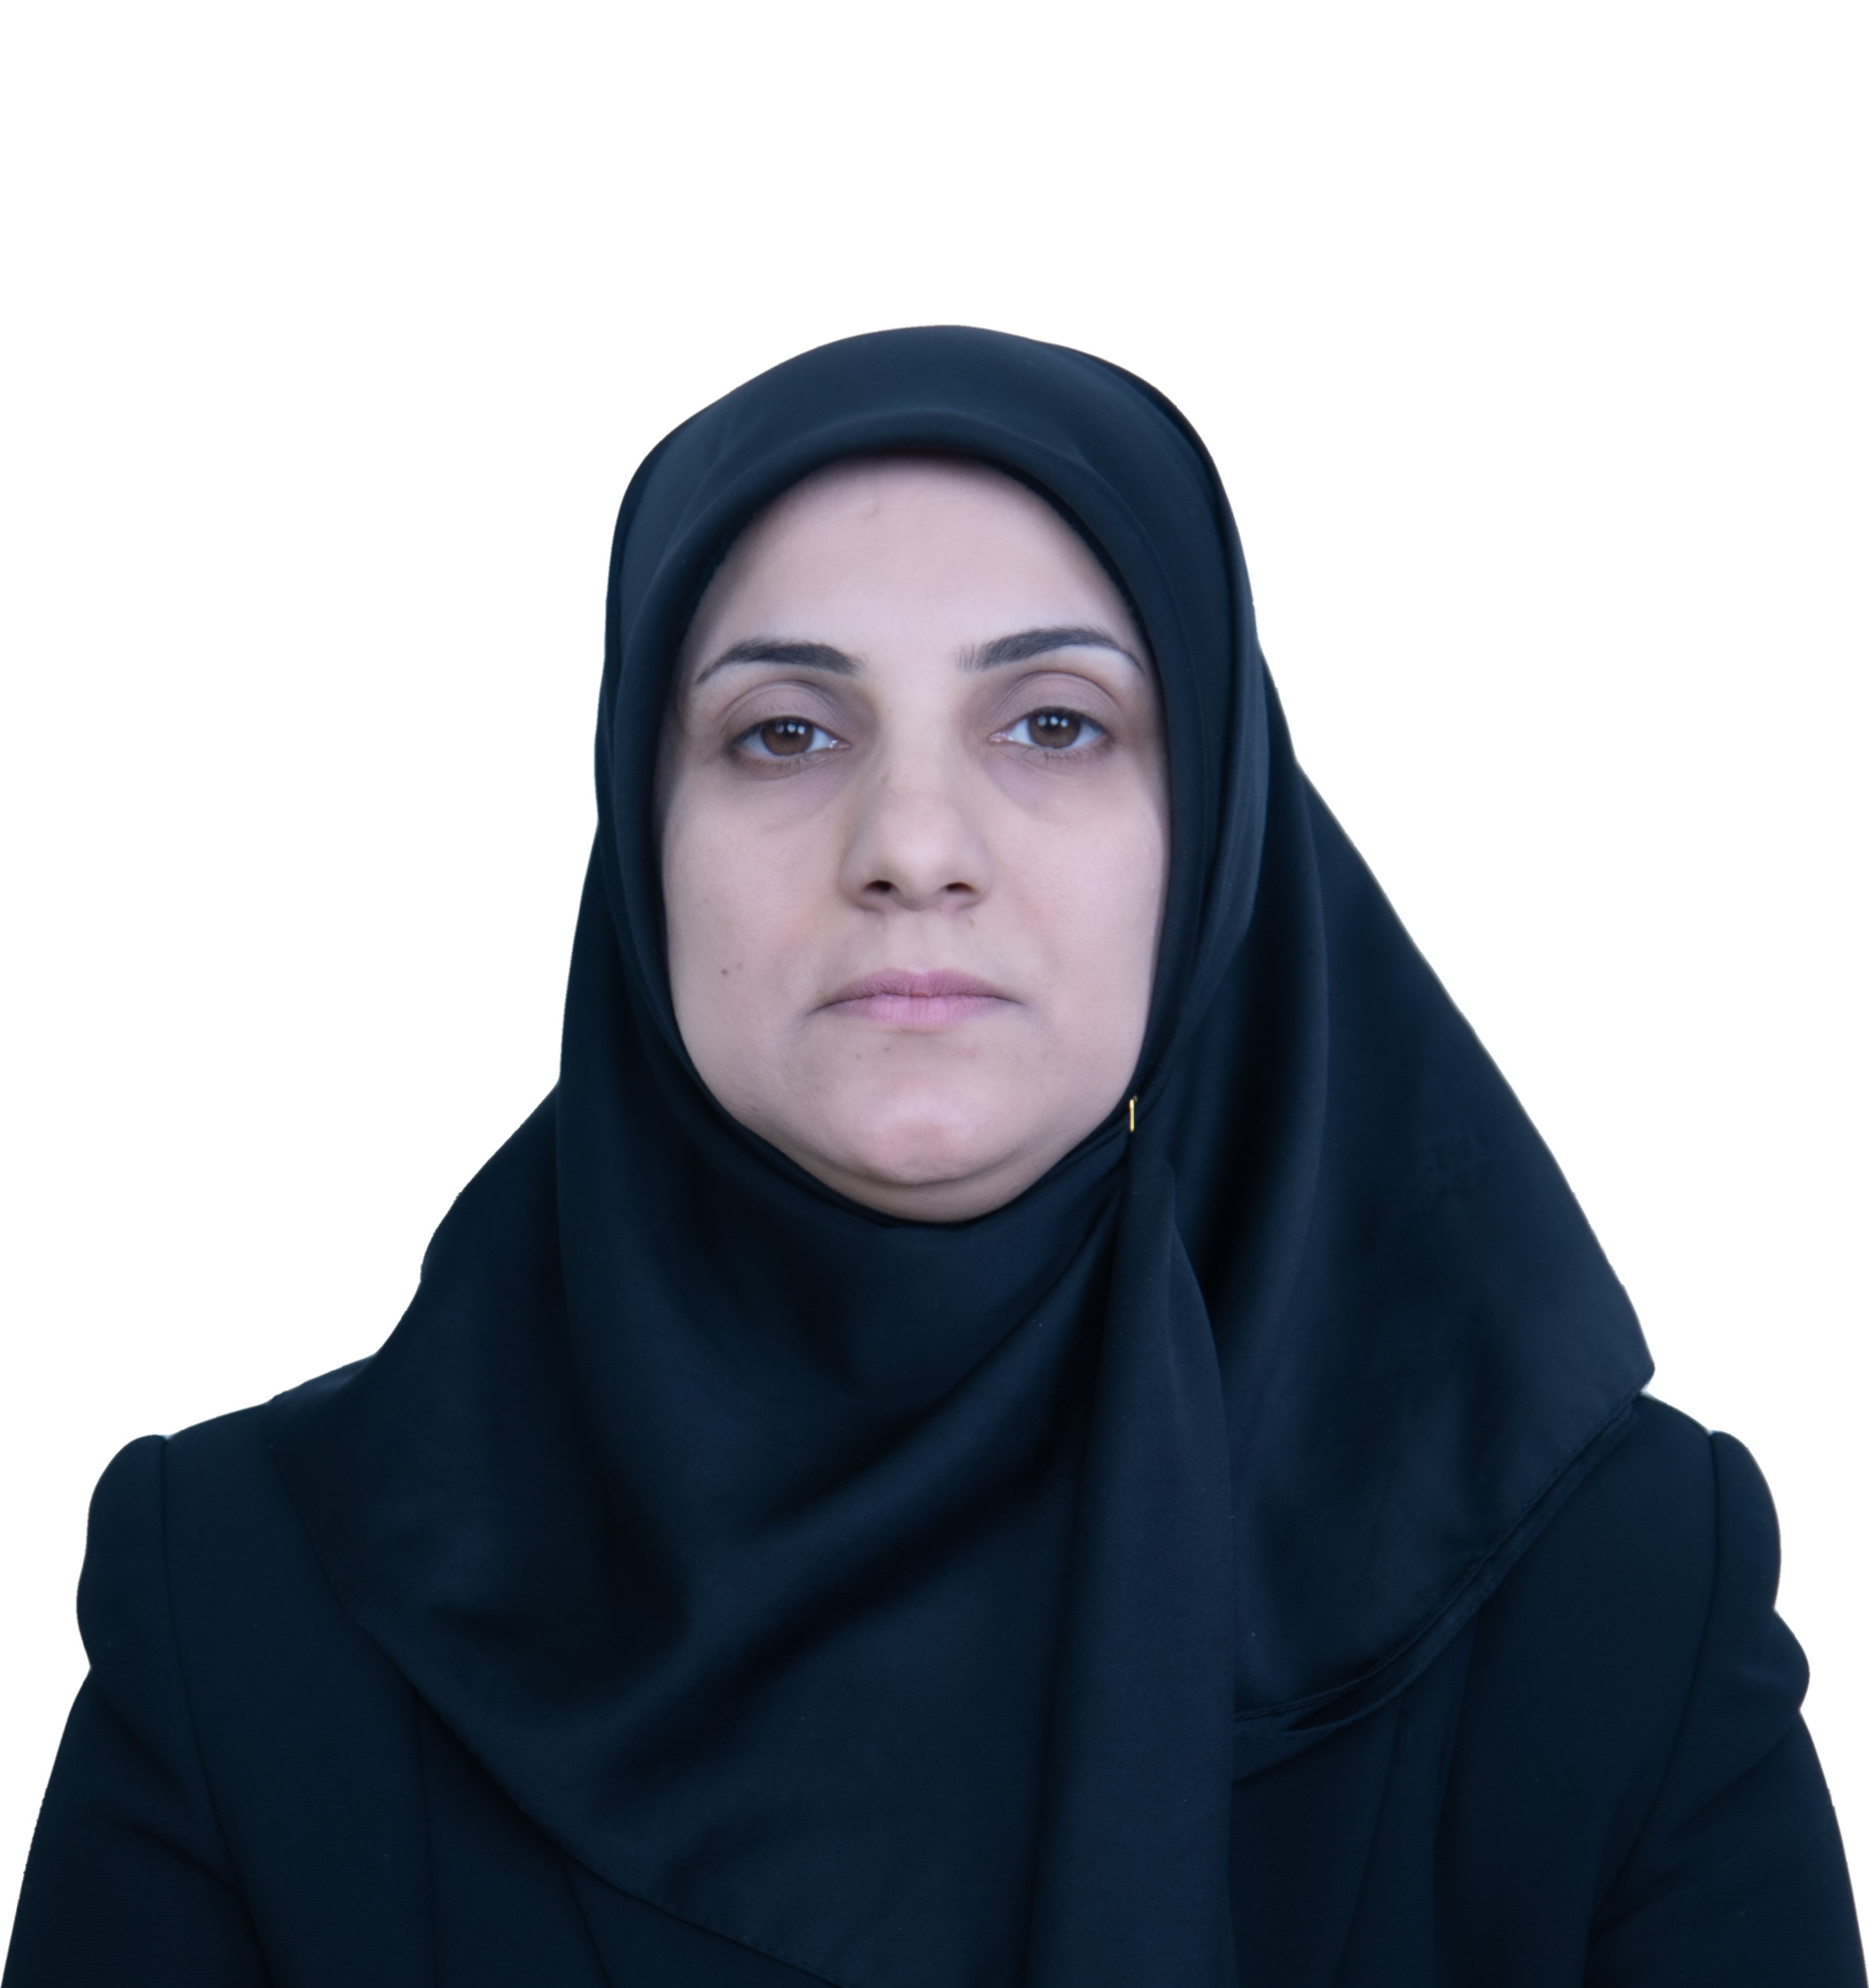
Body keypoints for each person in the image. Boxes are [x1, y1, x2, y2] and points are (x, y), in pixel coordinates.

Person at [4, 327, 1861, 1987]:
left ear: (1212, 835)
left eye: (1053, 725)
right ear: (639, 837)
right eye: (782, 733)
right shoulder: (245, 1605)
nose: (910, 842)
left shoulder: (1607, 1594)